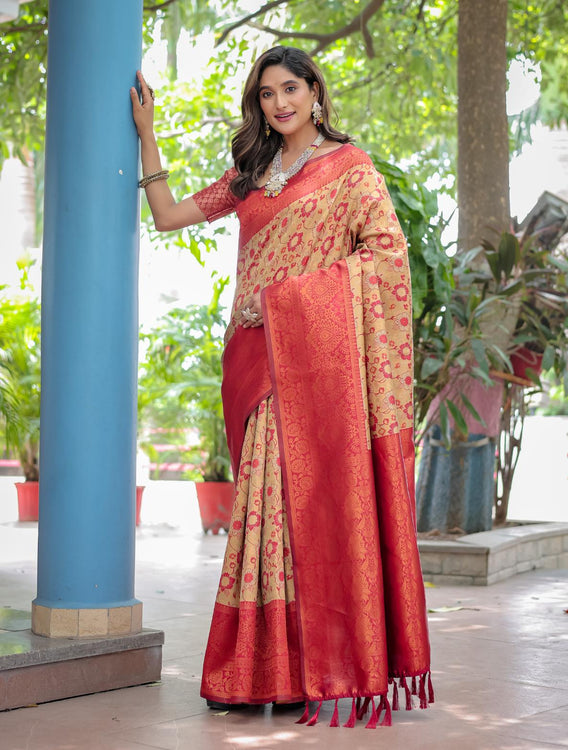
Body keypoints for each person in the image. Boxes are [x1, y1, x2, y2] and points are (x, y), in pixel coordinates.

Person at [131, 45, 432, 729]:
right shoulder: (251, 173)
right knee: (262, 509)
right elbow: (170, 215)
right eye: (266, 94)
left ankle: (296, 667)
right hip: (250, 359)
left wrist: (287, 301)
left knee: (285, 504)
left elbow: (384, 258)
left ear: (315, 92)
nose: (279, 103)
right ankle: (267, 665)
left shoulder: (351, 172)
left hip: (306, 362)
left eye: (290, 89)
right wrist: (149, 136)